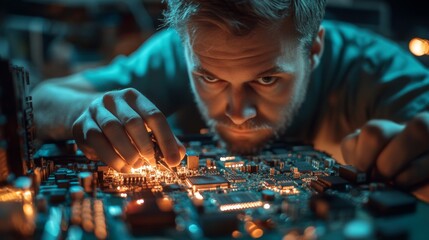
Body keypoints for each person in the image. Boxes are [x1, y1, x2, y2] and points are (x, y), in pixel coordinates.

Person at [31, 0, 429, 201]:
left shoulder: (378, 69)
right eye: (208, 76)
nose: (238, 113)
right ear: (185, 51)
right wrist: (91, 111)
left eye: (268, 78)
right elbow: (43, 97)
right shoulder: (173, 50)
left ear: (314, 49)